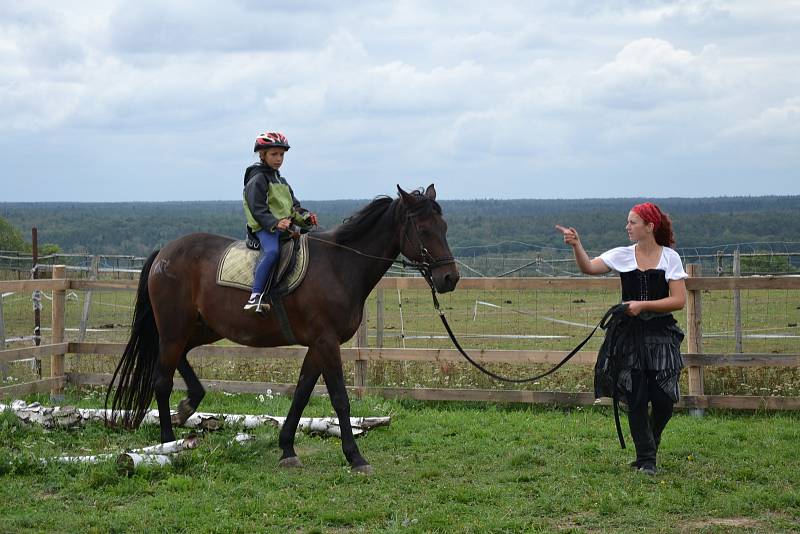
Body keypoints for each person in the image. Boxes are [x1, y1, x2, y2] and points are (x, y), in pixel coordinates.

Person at [556, 202, 687, 475]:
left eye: (633, 222)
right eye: (628, 222)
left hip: (661, 335)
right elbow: (589, 267)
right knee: (636, 397)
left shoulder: (669, 258)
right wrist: (577, 245)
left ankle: (651, 439)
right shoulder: (622, 255)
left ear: (649, 227)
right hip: (629, 336)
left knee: (664, 399)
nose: (627, 227)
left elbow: (679, 300)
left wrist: (642, 305)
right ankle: (647, 459)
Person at [242, 132, 317, 312]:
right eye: (273, 154)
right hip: (264, 229)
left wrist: (306, 218)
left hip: (283, 228)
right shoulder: (258, 178)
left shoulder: (281, 181)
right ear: (262, 155)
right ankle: (255, 296)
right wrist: (275, 223)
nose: (278, 159)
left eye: (281, 155)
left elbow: (294, 207)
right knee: (272, 253)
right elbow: (257, 208)